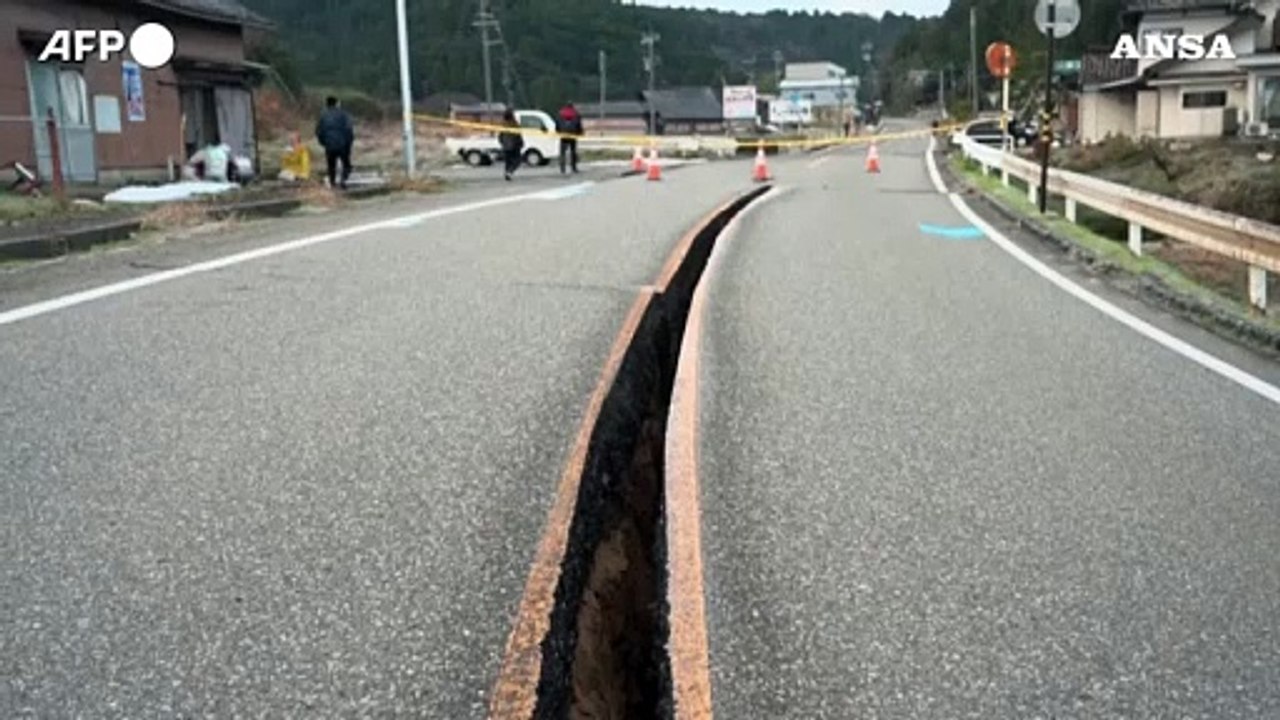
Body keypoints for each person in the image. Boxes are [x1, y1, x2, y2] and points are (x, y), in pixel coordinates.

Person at [315, 96, 354, 189]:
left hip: (329, 145)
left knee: (331, 166)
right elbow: (349, 130)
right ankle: (343, 180)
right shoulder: (344, 114)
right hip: (342, 144)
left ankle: (332, 184)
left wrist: (324, 143)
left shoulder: (323, 116)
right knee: (346, 165)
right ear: (337, 104)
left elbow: (318, 131)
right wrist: (349, 144)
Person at [498, 109, 524, 181]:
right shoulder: (514, 124)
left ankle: (507, 173)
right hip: (514, 145)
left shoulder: (503, 124)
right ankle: (510, 172)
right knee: (517, 160)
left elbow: (500, 136)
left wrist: (502, 143)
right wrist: (521, 143)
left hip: (505, 146)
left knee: (508, 161)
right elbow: (518, 135)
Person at [557, 102, 583, 174]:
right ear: (572, 106)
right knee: (573, 151)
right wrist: (580, 133)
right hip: (573, 135)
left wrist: (558, 131)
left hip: (563, 135)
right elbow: (579, 125)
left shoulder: (560, 113)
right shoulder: (576, 114)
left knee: (562, 152)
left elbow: (557, 124)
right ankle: (573, 168)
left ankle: (562, 169)